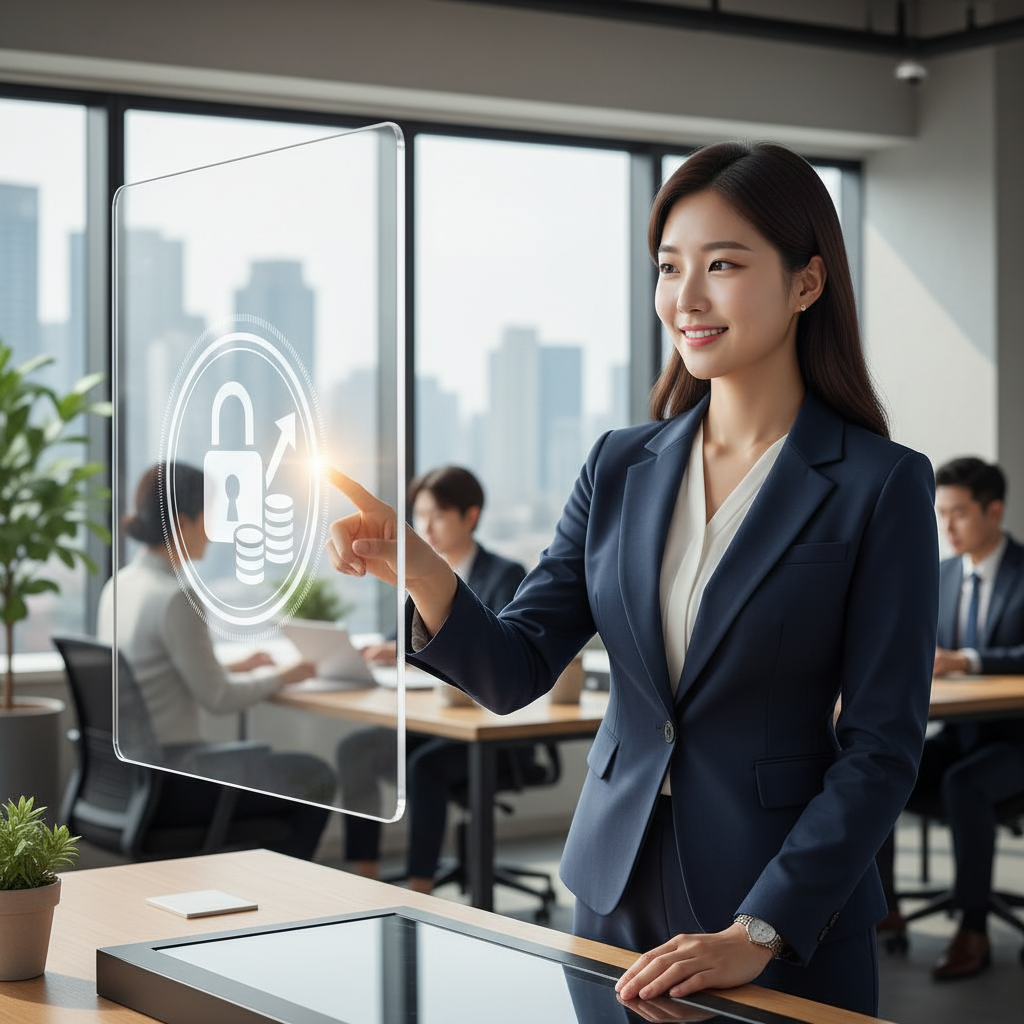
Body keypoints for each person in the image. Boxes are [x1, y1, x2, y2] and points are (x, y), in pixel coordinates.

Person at [325, 141, 939, 1016]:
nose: (685, 298)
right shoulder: (619, 466)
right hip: (610, 891)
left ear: (807, 283)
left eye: (722, 265)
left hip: (781, 909)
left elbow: (882, 748)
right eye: (668, 267)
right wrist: (413, 563)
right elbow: (513, 670)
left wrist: (756, 931)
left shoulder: (881, 483)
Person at [97, 462, 336, 859]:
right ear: (183, 522)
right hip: (173, 781)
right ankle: (291, 905)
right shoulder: (176, 598)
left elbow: (156, 671)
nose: (214, 529)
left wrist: (234, 667)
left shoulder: (120, 584)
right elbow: (219, 700)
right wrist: (285, 675)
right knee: (315, 777)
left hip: (125, 778)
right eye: (210, 515)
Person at [337, 465, 526, 892]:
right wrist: (384, 649)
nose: (426, 527)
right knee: (356, 750)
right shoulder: (418, 573)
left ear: (470, 516)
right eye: (419, 516)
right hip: (438, 722)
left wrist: (407, 653)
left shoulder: (504, 575)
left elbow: (497, 655)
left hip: (493, 730)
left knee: (425, 768)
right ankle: (362, 881)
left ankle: (420, 889)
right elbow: (401, 636)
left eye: (437, 515)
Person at [876, 456, 1024, 979]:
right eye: (942, 514)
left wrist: (967, 660)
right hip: (957, 732)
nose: (948, 526)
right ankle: (884, 909)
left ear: (994, 510)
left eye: (959, 513)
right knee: (881, 764)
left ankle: (974, 928)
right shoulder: (938, 576)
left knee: (966, 785)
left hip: (1014, 741)